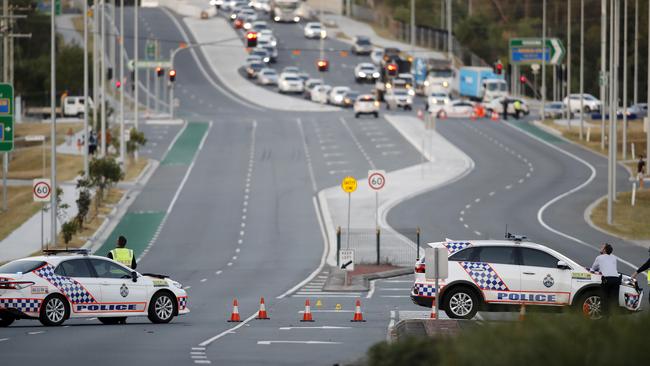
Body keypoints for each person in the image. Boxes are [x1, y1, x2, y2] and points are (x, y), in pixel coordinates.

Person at [591, 243, 620, 316]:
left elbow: (593, 268)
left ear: (604, 250)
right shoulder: (614, 258)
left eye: (602, 247)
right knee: (614, 300)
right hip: (616, 279)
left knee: (604, 299)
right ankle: (614, 317)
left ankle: (604, 317)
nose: (600, 248)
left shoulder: (599, 258)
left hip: (607, 279)